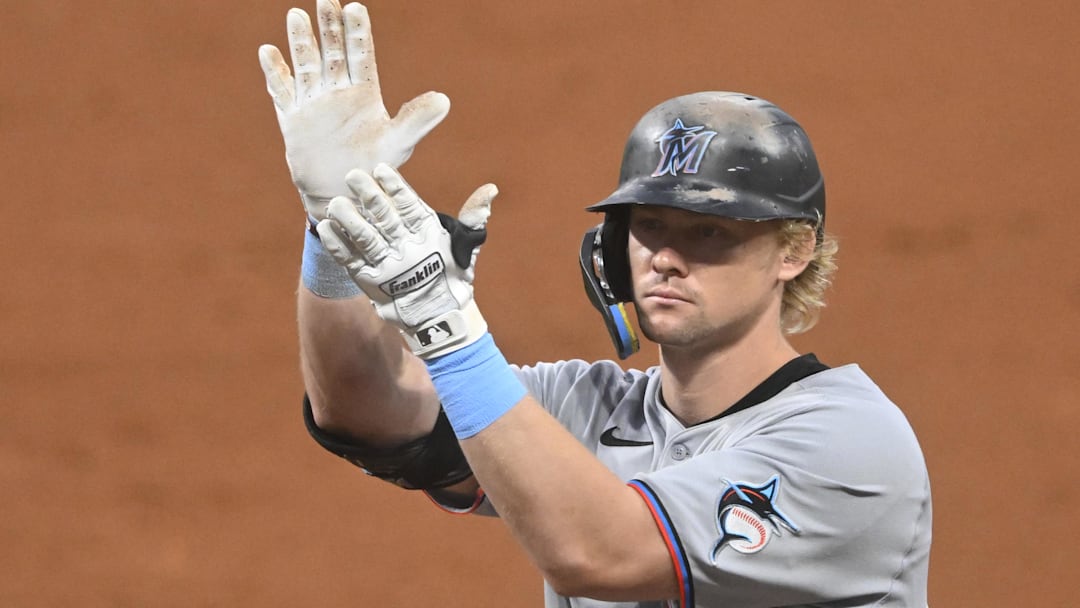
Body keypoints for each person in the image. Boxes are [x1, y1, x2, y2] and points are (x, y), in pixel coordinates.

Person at [258, 1, 933, 606]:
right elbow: (363, 407)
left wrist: (448, 327)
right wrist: (333, 226)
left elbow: (602, 552)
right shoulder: (583, 408)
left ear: (794, 250)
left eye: (709, 231)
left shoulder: (851, 444)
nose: (665, 256)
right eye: (650, 226)